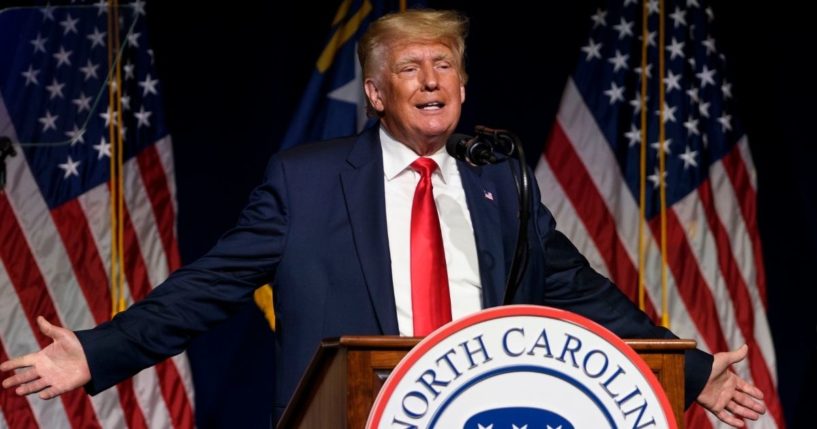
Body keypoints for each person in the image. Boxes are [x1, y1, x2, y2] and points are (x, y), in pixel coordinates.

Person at [1, 9, 766, 427]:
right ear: (375, 93)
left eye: (444, 66)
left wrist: (692, 370)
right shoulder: (306, 182)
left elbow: (576, 289)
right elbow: (209, 286)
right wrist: (98, 353)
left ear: (463, 88)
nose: (431, 80)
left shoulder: (499, 177)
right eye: (409, 68)